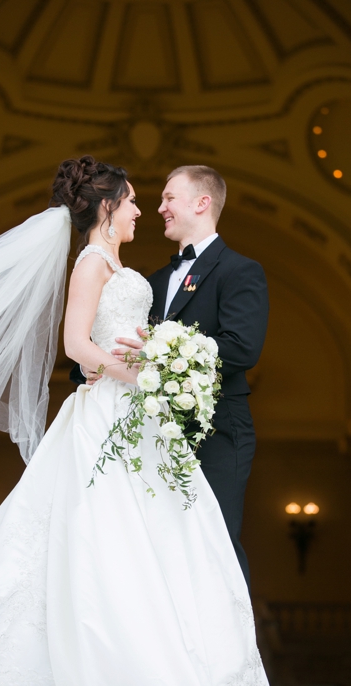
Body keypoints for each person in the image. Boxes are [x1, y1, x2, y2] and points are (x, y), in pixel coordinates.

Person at [0, 157, 271, 686]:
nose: (146, 209)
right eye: (133, 201)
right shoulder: (100, 265)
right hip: (115, 415)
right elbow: (79, 345)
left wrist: (148, 367)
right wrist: (140, 372)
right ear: (107, 207)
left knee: (178, 540)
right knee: (105, 541)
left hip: (154, 421)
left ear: (201, 202)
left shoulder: (172, 270)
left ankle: (197, 670)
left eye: (162, 199)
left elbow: (207, 345)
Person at [78, 165, 268, 587]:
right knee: (155, 550)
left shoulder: (240, 271)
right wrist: (95, 370)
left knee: (214, 544)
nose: (157, 208)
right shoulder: (153, 281)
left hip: (217, 432)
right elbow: (119, 338)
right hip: (151, 431)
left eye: (168, 198)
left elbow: (241, 348)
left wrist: (165, 356)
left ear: (201, 203)